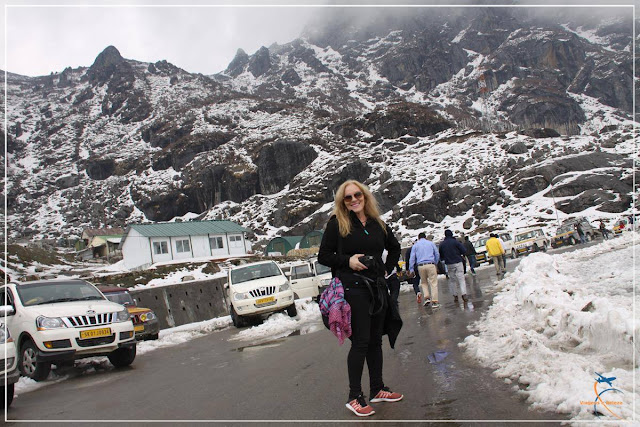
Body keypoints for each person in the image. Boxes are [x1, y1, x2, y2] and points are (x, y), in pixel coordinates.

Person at [317, 180, 403, 417]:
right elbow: (323, 255)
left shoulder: (377, 224)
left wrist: (386, 269)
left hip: (376, 289)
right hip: (352, 289)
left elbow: (394, 247)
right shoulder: (338, 224)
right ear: (342, 202)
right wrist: (348, 261)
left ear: (365, 196)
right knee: (362, 342)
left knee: (376, 340)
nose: (354, 200)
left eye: (358, 195)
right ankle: (354, 396)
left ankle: (377, 388)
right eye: (348, 197)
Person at [408, 232, 440, 308]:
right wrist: (435, 262)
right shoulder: (431, 243)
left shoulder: (415, 245)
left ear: (418, 238)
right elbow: (437, 254)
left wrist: (411, 269)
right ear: (425, 237)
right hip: (430, 264)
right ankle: (435, 301)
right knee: (433, 283)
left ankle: (427, 298)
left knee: (424, 282)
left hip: (420, 266)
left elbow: (412, 258)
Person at [438, 229, 467, 303]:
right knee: (461, 278)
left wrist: (444, 258)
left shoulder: (442, 244)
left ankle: (455, 295)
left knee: (452, 280)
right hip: (458, 261)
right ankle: (464, 294)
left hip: (449, 263)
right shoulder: (455, 242)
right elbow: (464, 250)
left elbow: (440, 255)